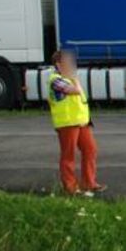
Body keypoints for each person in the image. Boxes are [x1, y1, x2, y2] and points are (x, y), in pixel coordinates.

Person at [48, 49, 106, 195]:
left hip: (81, 122)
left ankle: (89, 182)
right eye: (68, 61)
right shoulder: (55, 80)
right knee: (68, 155)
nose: (72, 64)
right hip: (67, 123)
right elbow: (73, 91)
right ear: (59, 65)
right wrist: (74, 79)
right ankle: (70, 187)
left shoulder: (69, 78)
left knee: (90, 150)